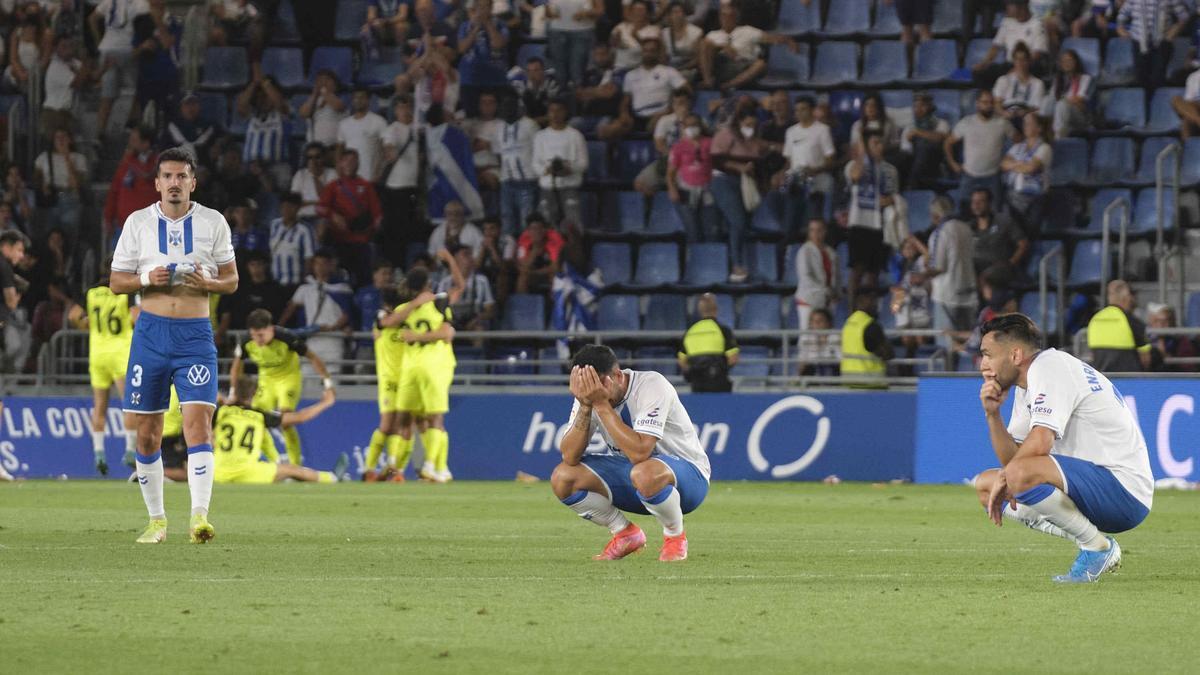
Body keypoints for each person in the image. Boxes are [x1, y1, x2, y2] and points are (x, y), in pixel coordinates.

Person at [108, 146, 239, 545]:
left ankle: (199, 517)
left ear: (193, 182)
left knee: (198, 424)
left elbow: (231, 281)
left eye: (182, 176)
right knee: (147, 433)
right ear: (157, 183)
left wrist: (209, 284)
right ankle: (156, 521)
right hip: (151, 335)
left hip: (195, 336)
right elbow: (116, 282)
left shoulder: (213, 222)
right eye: (167, 176)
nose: (175, 183)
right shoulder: (138, 223)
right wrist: (149, 278)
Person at [974, 313, 1153, 583]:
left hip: (1123, 490)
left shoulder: (1049, 366)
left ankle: (1095, 549)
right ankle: (1097, 543)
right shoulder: (1028, 384)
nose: (983, 365)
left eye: (988, 354)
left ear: (1015, 355)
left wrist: (1007, 475)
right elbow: (1014, 460)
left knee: (1012, 475)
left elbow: (1040, 443)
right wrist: (992, 415)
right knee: (987, 486)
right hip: (1093, 488)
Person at [552, 344, 710, 561]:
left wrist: (600, 405)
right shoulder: (591, 393)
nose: (593, 394)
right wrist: (586, 406)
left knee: (645, 471)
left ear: (617, 376)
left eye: (596, 388)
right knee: (563, 477)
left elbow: (640, 452)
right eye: (585, 388)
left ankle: (675, 537)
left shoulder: (652, 385)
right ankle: (625, 533)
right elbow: (569, 456)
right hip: (637, 478)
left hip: (688, 479)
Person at [378, 263, 462, 483]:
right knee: (407, 417)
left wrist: (416, 337)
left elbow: (446, 333)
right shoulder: (408, 308)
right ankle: (395, 468)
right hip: (410, 369)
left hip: (435, 366)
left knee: (433, 418)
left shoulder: (440, 303)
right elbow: (386, 323)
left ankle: (432, 466)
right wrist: (415, 303)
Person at [228, 308, 335, 465]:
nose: (257, 340)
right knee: (256, 419)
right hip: (266, 380)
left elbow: (312, 357)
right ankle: (275, 461)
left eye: (261, 335)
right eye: (254, 335)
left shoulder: (287, 338)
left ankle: (295, 465)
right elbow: (236, 367)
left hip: (288, 379)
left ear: (271, 329)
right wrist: (233, 391)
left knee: (286, 421)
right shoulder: (245, 341)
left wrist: (327, 383)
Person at [71, 264, 140, 474]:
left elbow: (73, 316)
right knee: (128, 404)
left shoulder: (91, 292)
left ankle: (99, 453)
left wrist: (91, 326)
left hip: (98, 353)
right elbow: (136, 318)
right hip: (121, 353)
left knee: (99, 406)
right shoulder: (126, 292)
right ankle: (130, 451)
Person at [214, 377, 346, 484]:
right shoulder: (260, 416)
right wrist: (326, 402)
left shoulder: (220, 412)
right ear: (254, 394)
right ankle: (332, 478)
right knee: (292, 470)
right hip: (249, 473)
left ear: (234, 392)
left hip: (217, 473)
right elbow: (300, 417)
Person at [709, 108, 768, 282]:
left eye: (753, 124)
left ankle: (737, 265)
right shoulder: (726, 135)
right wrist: (738, 167)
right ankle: (736, 264)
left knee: (739, 224)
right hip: (723, 181)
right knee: (738, 220)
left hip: (744, 185)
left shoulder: (755, 142)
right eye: (747, 124)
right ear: (739, 122)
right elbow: (716, 160)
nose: (750, 127)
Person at [845, 131, 902, 301]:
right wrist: (862, 154)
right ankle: (852, 309)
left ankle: (870, 307)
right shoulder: (854, 165)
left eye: (881, 142)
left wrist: (886, 200)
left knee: (874, 272)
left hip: (880, 225)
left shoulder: (890, 170)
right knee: (857, 270)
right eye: (875, 143)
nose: (879, 146)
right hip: (859, 223)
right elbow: (855, 176)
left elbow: (893, 197)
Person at [279, 250, 352, 375]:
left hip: (333, 340)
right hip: (312, 338)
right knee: (307, 377)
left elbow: (347, 313)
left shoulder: (342, 288)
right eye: (317, 264)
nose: (320, 267)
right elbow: (290, 309)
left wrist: (333, 328)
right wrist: (279, 328)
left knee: (332, 379)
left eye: (324, 264)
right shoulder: (306, 288)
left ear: (331, 265)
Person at [603, 36, 688, 141]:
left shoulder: (669, 72)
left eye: (652, 51)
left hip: (659, 114)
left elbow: (686, 91)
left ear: (657, 53)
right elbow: (625, 101)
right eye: (645, 50)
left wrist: (668, 110)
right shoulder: (631, 75)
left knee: (655, 126)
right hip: (636, 116)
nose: (648, 54)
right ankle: (612, 155)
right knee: (606, 131)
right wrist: (624, 114)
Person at [317, 148, 382, 284]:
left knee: (363, 278)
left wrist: (373, 230)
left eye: (354, 161)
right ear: (340, 163)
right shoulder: (333, 186)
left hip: (361, 240)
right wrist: (333, 215)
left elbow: (377, 213)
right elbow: (320, 208)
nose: (350, 164)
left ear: (358, 164)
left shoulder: (366, 186)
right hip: (339, 239)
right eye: (347, 161)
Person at [699, 5, 797, 91]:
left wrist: (788, 40)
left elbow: (770, 38)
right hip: (720, 65)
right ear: (719, 18)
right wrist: (722, 46)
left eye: (730, 16)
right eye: (723, 16)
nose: (726, 19)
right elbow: (705, 51)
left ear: (736, 18)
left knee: (760, 64)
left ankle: (729, 85)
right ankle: (707, 81)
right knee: (705, 45)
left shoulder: (747, 30)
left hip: (743, 64)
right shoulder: (712, 34)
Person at [945, 90, 1016, 204]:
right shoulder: (966, 123)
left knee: (995, 211)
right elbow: (948, 143)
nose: (988, 106)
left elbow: (1019, 141)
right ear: (977, 103)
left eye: (991, 102)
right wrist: (953, 163)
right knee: (963, 210)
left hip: (993, 176)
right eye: (985, 102)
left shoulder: (1002, 123)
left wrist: (1009, 158)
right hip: (970, 175)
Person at [778, 96, 837, 230]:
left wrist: (814, 170)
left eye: (803, 109)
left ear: (812, 110)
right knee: (790, 224)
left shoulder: (822, 130)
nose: (799, 113)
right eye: (797, 110)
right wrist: (781, 173)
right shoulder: (791, 131)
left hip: (815, 182)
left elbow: (830, 160)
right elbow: (789, 160)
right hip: (795, 182)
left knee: (813, 221)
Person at [925, 195, 978, 338]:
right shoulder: (966, 228)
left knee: (947, 346)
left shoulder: (940, 232)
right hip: (969, 291)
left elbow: (938, 267)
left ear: (935, 215)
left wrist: (922, 275)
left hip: (947, 295)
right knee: (969, 344)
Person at [90, 0, 144, 137]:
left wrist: (99, 41)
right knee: (137, 89)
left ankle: (100, 132)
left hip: (108, 49)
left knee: (107, 96)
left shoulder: (109, 2)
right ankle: (132, 126)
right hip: (127, 49)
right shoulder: (139, 3)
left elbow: (92, 18)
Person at [488, 96, 540, 238]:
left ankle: (526, 252)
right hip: (506, 181)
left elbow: (539, 149)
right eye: (504, 107)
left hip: (528, 181)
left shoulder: (530, 125)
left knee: (526, 221)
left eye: (511, 106)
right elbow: (498, 153)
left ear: (518, 108)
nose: (507, 110)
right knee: (507, 220)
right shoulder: (498, 128)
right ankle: (509, 253)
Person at [532, 99, 588, 228]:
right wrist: (546, 170)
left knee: (573, 226)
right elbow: (535, 163)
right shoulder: (540, 136)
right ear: (548, 113)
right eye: (552, 111)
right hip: (547, 187)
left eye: (559, 110)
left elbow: (583, 163)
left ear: (565, 112)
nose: (555, 114)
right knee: (547, 225)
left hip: (570, 187)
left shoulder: (575, 135)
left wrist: (569, 169)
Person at [380, 96, 422, 261]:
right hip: (397, 187)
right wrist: (391, 152)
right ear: (396, 110)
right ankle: (395, 264)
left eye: (408, 107)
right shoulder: (393, 129)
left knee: (414, 230)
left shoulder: (419, 129)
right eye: (401, 108)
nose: (405, 111)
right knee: (396, 232)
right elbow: (388, 147)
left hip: (416, 186)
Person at [215, 250, 287, 346]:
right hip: (241, 337)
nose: (256, 268)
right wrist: (221, 332)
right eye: (252, 265)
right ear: (247, 267)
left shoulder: (276, 290)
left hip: (269, 338)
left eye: (259, 264)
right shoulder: (238, 289)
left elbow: (282, 314)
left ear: (265, 266)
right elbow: (226, 313)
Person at [1116, 0, 1191, 89]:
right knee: (1141, 78)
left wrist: (1172, 33)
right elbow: (1122, 16)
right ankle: (1143, 102)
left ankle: (1157, 101)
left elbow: (1184, 16)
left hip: (1162, 44)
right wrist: (1121, 30)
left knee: (1158, 78)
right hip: (1139, 43)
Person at [973, 0, 1050, 85]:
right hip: (1010, 64)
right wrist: (984, 63)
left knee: (1026, 71)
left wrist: (1019, 67)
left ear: (1021, 7)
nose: (1006, 8)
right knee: (979, 72)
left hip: (1029, 64)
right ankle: (988, 95)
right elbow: (995, 47)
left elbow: (1037, 54)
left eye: (1009, 5)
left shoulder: (1037, 24)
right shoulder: (1007, 22)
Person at [667, 113, 717, 242]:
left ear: (700, 126)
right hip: (686, 191)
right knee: (693, 233)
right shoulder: (678, 147)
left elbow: (719, 164)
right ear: (683, 127)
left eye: (694, 125)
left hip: (707, 190)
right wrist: (672, 189)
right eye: (688, 125)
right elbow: (670, 172)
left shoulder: (710, 143)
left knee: (711, 233)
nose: (692, 128)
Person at [633, 88, 692, 196]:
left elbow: (691, 145)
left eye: (682, 103)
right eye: (676, 103)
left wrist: (682, 121)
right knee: (640, 183)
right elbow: (659, 144)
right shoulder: (665, 120)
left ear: (689, 103)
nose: (679, 106)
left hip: (688, 162)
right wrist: (672, 156)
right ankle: (661, 207)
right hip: (668, 160)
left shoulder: (698, 120)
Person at [33, 128, 89, 242]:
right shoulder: (43, 157)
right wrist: (43, 185)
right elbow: (36, 178)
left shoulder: (79, 158)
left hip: (70, 197)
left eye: (64, 137)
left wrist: (67, 157)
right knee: (49, 234)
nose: (60, 140)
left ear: (70, 139)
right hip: (51, 199)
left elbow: (76, 184)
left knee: (69, 235)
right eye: (57, 137)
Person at [1000, 112, 1052, 235]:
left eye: (1029, 124)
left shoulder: (1044, 148)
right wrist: (1021, 165)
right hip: (1014, 196)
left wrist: (1014, 165)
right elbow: (1003, 164)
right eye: (1025, 124)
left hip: (1035, 197)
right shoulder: (1017, 146)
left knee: (1029, 233)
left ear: (1038, 128)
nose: (1025, 126)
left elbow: (1031, 168)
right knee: (1013, 233)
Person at [103, 126, 158, 237]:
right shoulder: (126, 163)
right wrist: (108, 217)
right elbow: (114, 190)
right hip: (123, 227)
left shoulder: (159, 165)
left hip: (149, 229)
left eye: (134, 140)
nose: (129, 143)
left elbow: (147, 176)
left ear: (146, 143)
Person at [677, 293, 739, 392]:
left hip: (697, 385)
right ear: (716, 309)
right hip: (720, 383)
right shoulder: (723, 330)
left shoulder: (690, 332)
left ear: (699, 311)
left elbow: (682, 361)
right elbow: (733, 358)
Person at [1087, 280, 1151, 372]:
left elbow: (1093, 355)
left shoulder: (1095, 319)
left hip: (1103, 379)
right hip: (1129, 380)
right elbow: (1145, 358)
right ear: (1127, 297)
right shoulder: (1132, 321)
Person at [968, 188, 1029, 285]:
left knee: (983, 278)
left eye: (981, 201)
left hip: (1000, 267)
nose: (976, 205)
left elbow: (1023, 244)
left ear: (989, 203)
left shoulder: (1004, 221)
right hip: (977, 267)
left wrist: (1011, 262)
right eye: (974, 202)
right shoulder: (969, 227)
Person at [840, 290, 894, 385]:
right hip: (870, 382)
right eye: (873, 301)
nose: (876, 305)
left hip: (848, 379)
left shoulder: (847, 323)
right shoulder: (870, 325)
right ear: (862, 301)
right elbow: (887, 354)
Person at [235, 75, 290, 168]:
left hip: (275, 167)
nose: (262, 100)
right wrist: (254, 83)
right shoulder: (252, 115)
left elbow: (280, 104)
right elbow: (241, 106)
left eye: (266, 96)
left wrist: (264, 82)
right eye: (259, 96)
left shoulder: (282, 115)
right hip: (250, 167)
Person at [794, 218, 839, 331]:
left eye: (819, 230)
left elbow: (836, 276)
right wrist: (825, 290)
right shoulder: (804, 251)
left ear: (825, 232)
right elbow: (805, 277)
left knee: (827, 334)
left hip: (827, 300)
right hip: (808, 300)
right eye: (812, 230)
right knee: (807, 335)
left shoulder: (831, 253)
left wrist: (837, 293)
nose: (816, 234)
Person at [436, 245, 495, 330]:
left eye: (471, 254)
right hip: (451, 322)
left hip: (474, 321)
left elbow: (490, 310)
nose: (471, 258)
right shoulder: (444, 283)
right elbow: (438, 309)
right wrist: (448, 321)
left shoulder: (482, 281)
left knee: (479, 329)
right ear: (455, 259)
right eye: (466, 255)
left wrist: (476, 320)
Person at [336, 87, 388, 183]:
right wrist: (339, 171)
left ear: (368, 100)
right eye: (355, 98)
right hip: (349, 177)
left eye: (362, 97)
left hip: (371, 178)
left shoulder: (379, 121)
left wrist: (379, 173)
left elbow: (384, 150)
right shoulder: (343, 124)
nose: (358, 100)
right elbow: (339, 151)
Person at [545, 0, 602, 88]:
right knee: (559, 71)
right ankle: (560, 96)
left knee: (577, 70)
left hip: (582, 31)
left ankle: (578, 97)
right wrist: (549, 12)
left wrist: (586, 14)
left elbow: (600, 10)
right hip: (557, 31)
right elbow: (548, 11)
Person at [900, 92, 950, 189]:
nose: (919, 109)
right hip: (915, 165)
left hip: (936, 164)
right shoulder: (910, 127)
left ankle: (911, 184)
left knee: (925, 146)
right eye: (916, 106)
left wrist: (918, 133)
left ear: (931, 107)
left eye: (923, 105)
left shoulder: (941, 123)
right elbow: (906, 151)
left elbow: (940, 137)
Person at [41, 35, 87, 138]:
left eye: (70, 46)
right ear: (55, 48)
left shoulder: (73, 62)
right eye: (63, 46)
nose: (68, 50)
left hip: (66, 112)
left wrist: (103, 68)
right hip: (54, 113)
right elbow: (77, 82)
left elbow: (89, 76)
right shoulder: (56, 66)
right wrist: (85, 62)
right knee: (54, 149)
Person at [268, 193, 316, 291]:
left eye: (291, 207)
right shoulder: (274, 225)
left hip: (295, 282)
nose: (287, 210)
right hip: (275, 280)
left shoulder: (305, 229)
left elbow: (309, 257)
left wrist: (304, 282)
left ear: (298, 209)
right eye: (284, 206)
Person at [992, 42, 1046, 125]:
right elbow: (997, 104)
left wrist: (1024, 112)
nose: (1020, 63)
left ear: (1029, 61)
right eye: (1017, 59)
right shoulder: (1004, 80)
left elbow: (1037, 108)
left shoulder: (1038, 83)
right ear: (1013, 61)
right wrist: (1004, 113)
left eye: (1023, 59)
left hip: (1026, 116)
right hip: (1007, 114)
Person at [1047, 48, 1093, 139]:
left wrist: (1064, 100)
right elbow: (1052, 99)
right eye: (1064, 61)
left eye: (1069, 60)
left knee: (1062, 105)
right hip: (1061, 113)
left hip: (1080, 116)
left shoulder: (1085, 78)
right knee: (1047, 102)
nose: (1066, 63)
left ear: (1076, 62)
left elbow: (1079, 100)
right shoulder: (1058, 80)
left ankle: (1059, 139)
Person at [289, 143, 338, 224]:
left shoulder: (332, 173)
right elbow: (294, 202)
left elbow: (332, 202)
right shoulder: (300, 174)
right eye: (310, 158)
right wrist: (318, 203)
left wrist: (315, 177)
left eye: (317, 157)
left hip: (325, 218)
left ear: (324, 158)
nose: (313, 161)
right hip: (303, 217)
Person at [298, 69, 347, 149]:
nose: (323, 83)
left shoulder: (342, 98)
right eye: (320, 80)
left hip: (333, 147)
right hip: (314, 147)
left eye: (327, 80)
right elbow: (304, 113)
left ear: (335, 84)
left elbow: (338, 107)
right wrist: (314, 94)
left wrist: (324, 92)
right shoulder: (313, 101)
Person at [1148, 303, 1197, 372]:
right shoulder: (1144, 340)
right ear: (1151, 323)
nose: (1161, 325)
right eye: (1157, 321)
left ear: (1172, 322)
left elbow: (1188, 368)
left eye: (1165, 321)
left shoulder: (1181, 341)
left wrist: (1169, 359)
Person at [661, 1, 703, 81]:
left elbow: (697, 59)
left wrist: (680, 69)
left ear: (684, 14)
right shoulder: (664, 33)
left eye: (679, 12)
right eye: (674, 12)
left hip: (688, 69)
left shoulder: (696, 32)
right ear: (669, 16)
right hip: (669, 69)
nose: (677, 15)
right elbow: (663, 58)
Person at [797, 307, 839, 376]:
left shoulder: (836, 337)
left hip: (831, 369)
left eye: (820, 320)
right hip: (812, 370)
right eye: (813, 321)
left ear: (828, 323)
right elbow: (802, 360)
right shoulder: (806, 337)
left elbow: (840, 358)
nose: (817, 323)